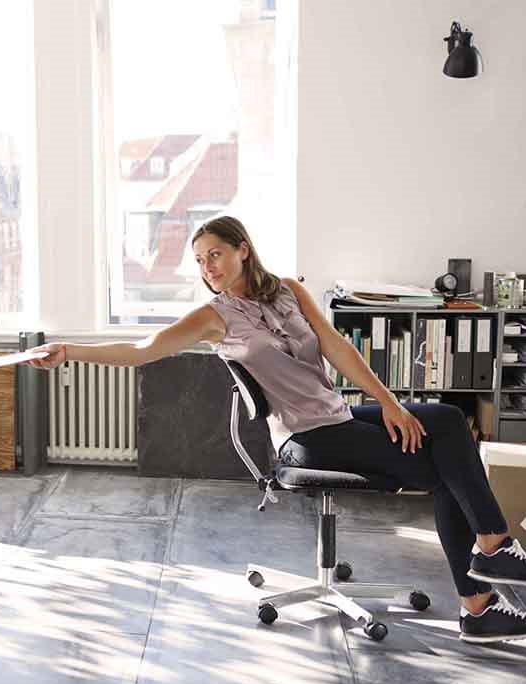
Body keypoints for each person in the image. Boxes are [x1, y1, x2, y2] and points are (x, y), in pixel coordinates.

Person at [27, 215, 526, 644]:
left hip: (338, 416)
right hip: (304, 439)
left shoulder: (290, 290)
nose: (209, 267)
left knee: (443, 418)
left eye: (216, 254)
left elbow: (336, 347)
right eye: (200, 261)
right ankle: (483, 585)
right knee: (444, 469)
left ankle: (489, 556)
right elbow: (143, 350)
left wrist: (389, 403)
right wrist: (70, 350)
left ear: (243, 250)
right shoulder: (213, 317)